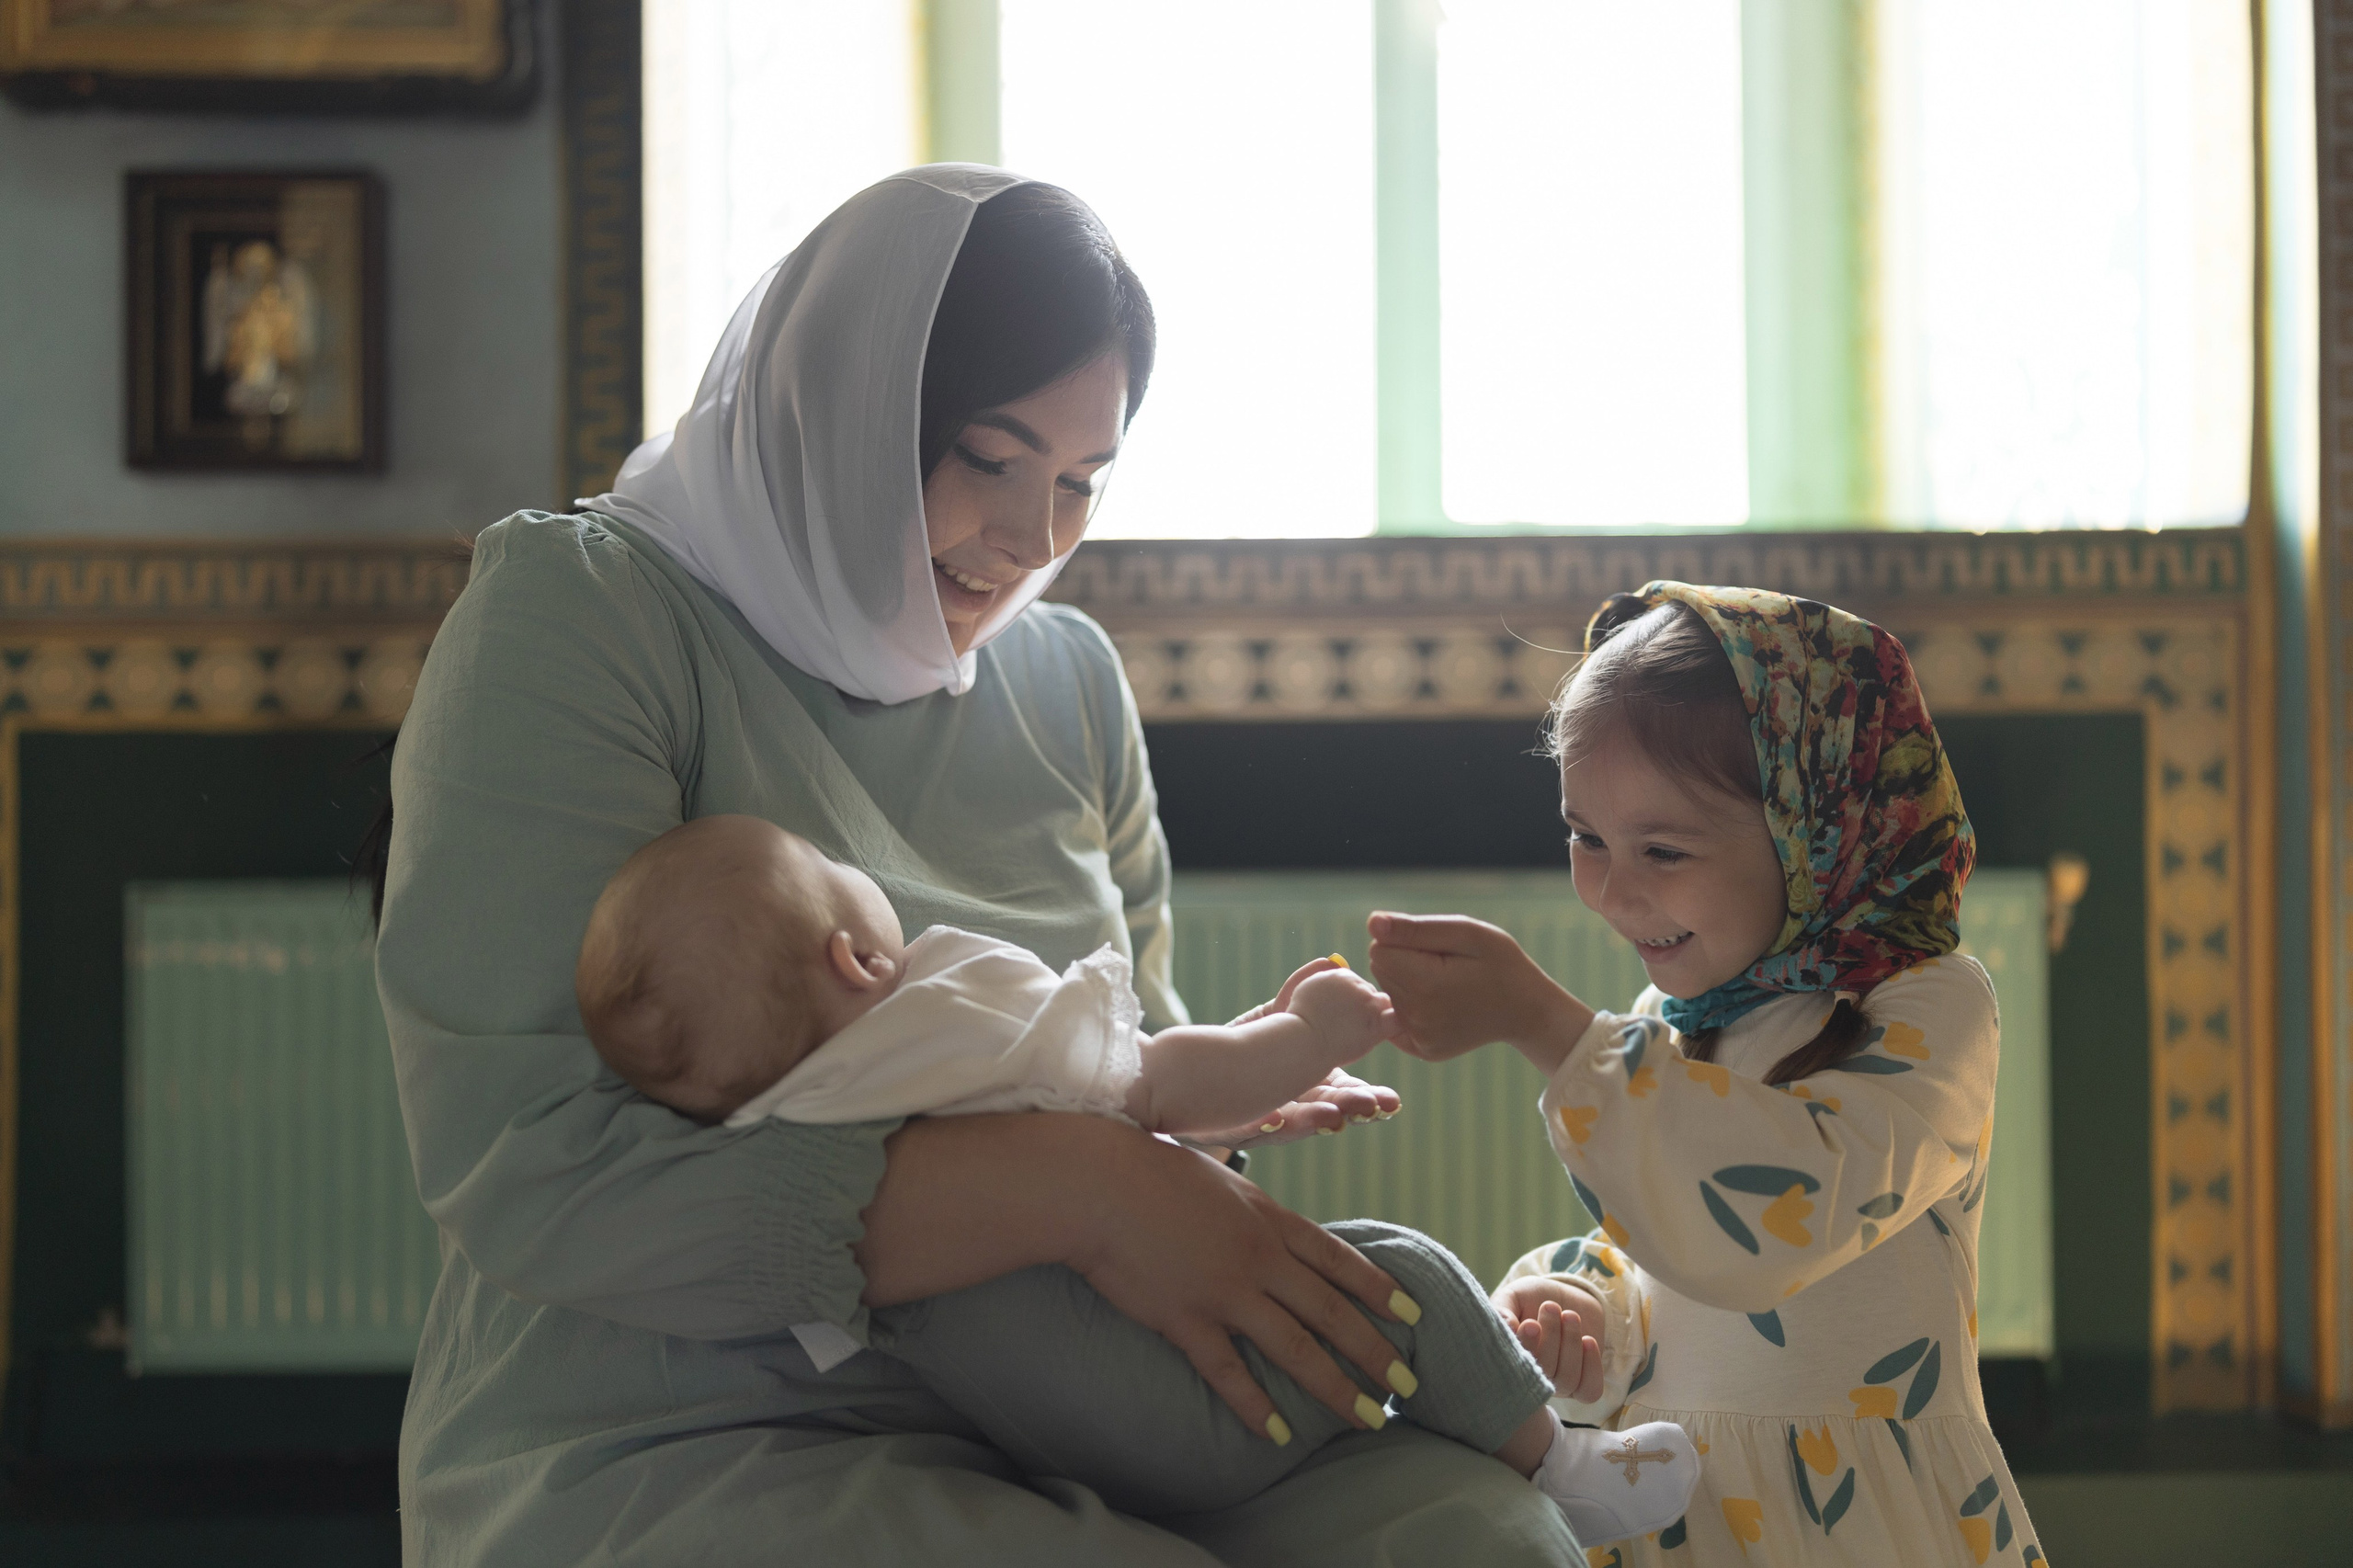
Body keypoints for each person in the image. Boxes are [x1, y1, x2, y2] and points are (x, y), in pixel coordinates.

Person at [372, 165, 1584, 1565]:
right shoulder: (585, 613)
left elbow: (1131, 1066)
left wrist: (1220, 1090)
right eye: (989, 459)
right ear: (847, 404)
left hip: (1082, 1394)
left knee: (1495, 1541)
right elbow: (542, 1169)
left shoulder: (1066, 675)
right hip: (688, 1422)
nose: (1033, 539)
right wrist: (1087, 1189)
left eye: (1080, 482)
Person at [570, 813, 1700, 1541]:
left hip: (1081, 1440)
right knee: (1396, 1275)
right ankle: (1564, 1462)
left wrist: (1200, 1134)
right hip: (1190, 1405)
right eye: (832, 869)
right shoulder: (936, 1015)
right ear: (853, 959)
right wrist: (1308, 1031)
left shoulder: (785, 1117)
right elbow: (1155, 1083)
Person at [1373, 585, 2049, 1566]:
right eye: (1584, 836)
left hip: (1859, 1531)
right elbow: (1659, 1263)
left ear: (1817, 830)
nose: (1611, 888)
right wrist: (1583, 1306)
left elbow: (1777, 1220)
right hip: (1682, 1513)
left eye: (1662, 847)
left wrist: (1549, 1027)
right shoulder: (1674, 1021)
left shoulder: (1932, 1005)